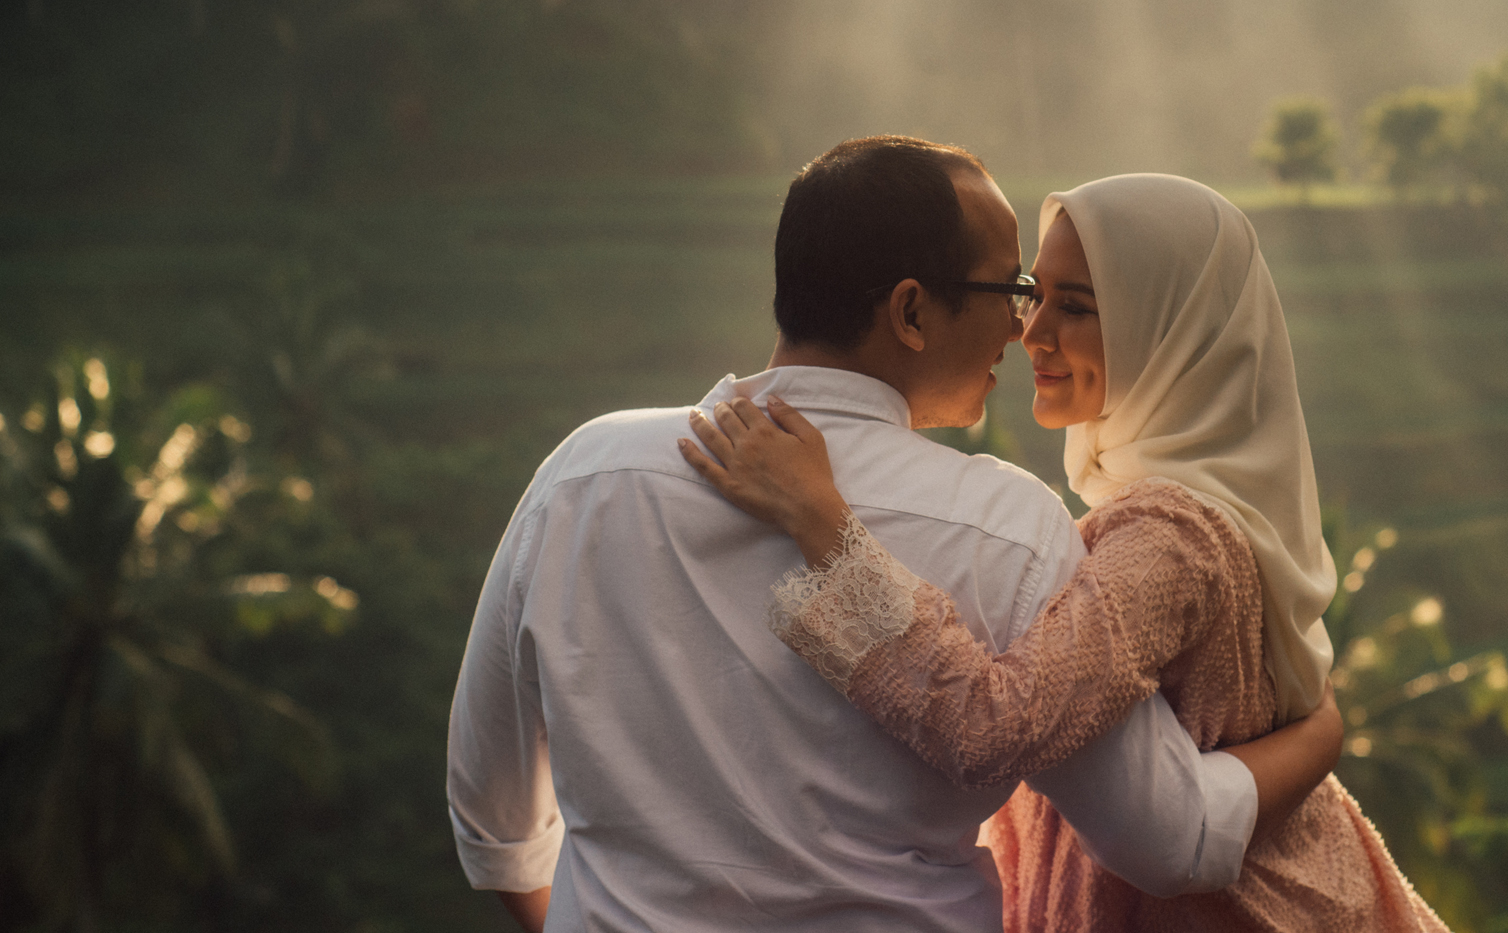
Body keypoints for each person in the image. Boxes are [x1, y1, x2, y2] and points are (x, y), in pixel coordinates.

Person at [447, 139, 1344, 933]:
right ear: (911, 311)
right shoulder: (1011, 529)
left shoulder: (585, 474)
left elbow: (492, 825)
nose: (1022, 326)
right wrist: (1325, 731)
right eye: (1014, 290)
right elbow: (1169, 835)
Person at [681, 172, 1452, 932]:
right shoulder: (1187, 504)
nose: (1029, 330)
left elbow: (989, 728)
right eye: (1032, 293)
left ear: (1171, 328)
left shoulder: (1169, 539)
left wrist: (823, 525)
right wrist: (1324, 732)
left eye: (1076, 306)